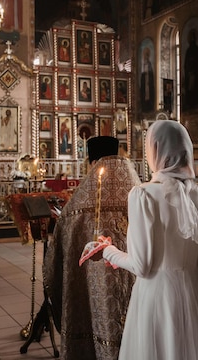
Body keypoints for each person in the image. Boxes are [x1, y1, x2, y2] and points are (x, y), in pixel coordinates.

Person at [102, 120, 198, 360]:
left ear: (155, 151)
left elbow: (141, 266)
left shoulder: (143, 195)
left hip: (155, 295)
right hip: (194, 292)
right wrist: (190, 291)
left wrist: (108, 251)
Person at [44, 136, 141, 360]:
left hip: (93, 287)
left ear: (91, 161)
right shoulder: (138, 190)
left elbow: (59, 249)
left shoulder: (78, 204)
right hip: (135, 281)